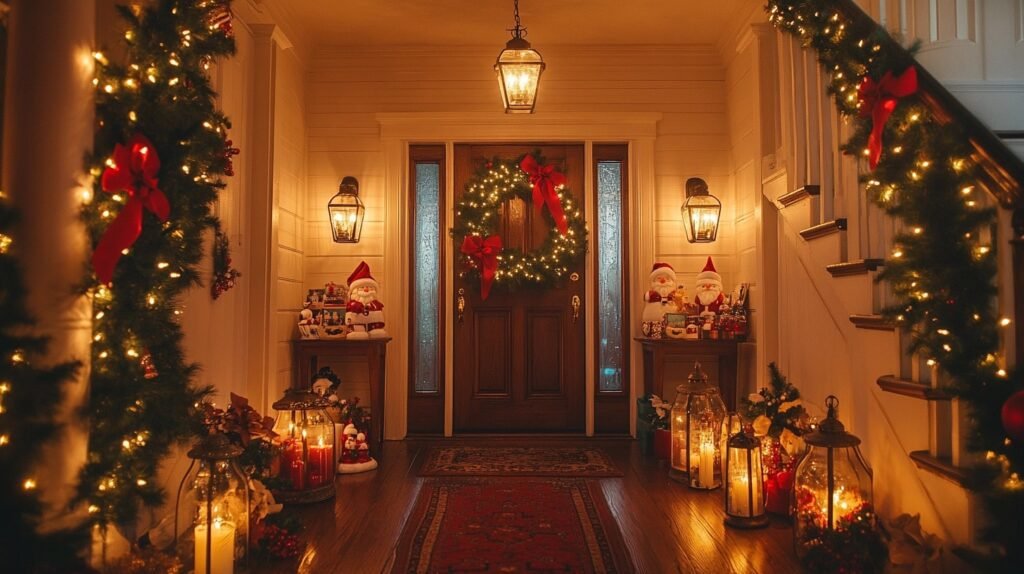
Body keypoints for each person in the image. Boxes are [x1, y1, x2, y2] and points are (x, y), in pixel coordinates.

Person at [345, 261, 387, 339]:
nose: (366, 290)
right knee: (358, 328)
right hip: (357, 324)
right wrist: (357, 306)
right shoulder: (353, 302)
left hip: (374, 323)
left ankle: (375, 329)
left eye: (370, 287)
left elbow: (378, 307)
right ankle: (357, 331)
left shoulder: (373, 302)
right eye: (362, 288)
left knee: (377, 329)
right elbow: (351, 307)